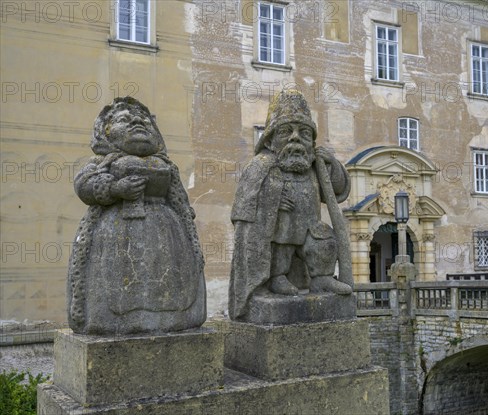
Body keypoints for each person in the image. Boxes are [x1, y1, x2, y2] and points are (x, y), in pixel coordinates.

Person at [67, 97, 206, 334]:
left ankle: (174, 319)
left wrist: (186, 216)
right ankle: (112, 322)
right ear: (106, 133)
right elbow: (84, 185)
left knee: (170, 279)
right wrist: (114, 189)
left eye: (145, 121)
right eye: (125, 120)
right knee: (116, 280)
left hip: (167, 234)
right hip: (117, 231)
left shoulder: (165, 165)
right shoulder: (103, 162)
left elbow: (179, 197)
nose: (137, 123)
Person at [229, 90, 352, 320]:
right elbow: (244, 208)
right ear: (270, 139)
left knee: (324, 239)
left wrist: (331, 164)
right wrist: (272, 203)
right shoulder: (261, 165)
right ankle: (276, 277)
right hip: (280, 233)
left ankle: (322, 278)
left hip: (310, 231)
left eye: (304, 132)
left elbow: (339, 189)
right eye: (287, 131)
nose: (295, 137)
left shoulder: (314, 164)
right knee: (283, 238)